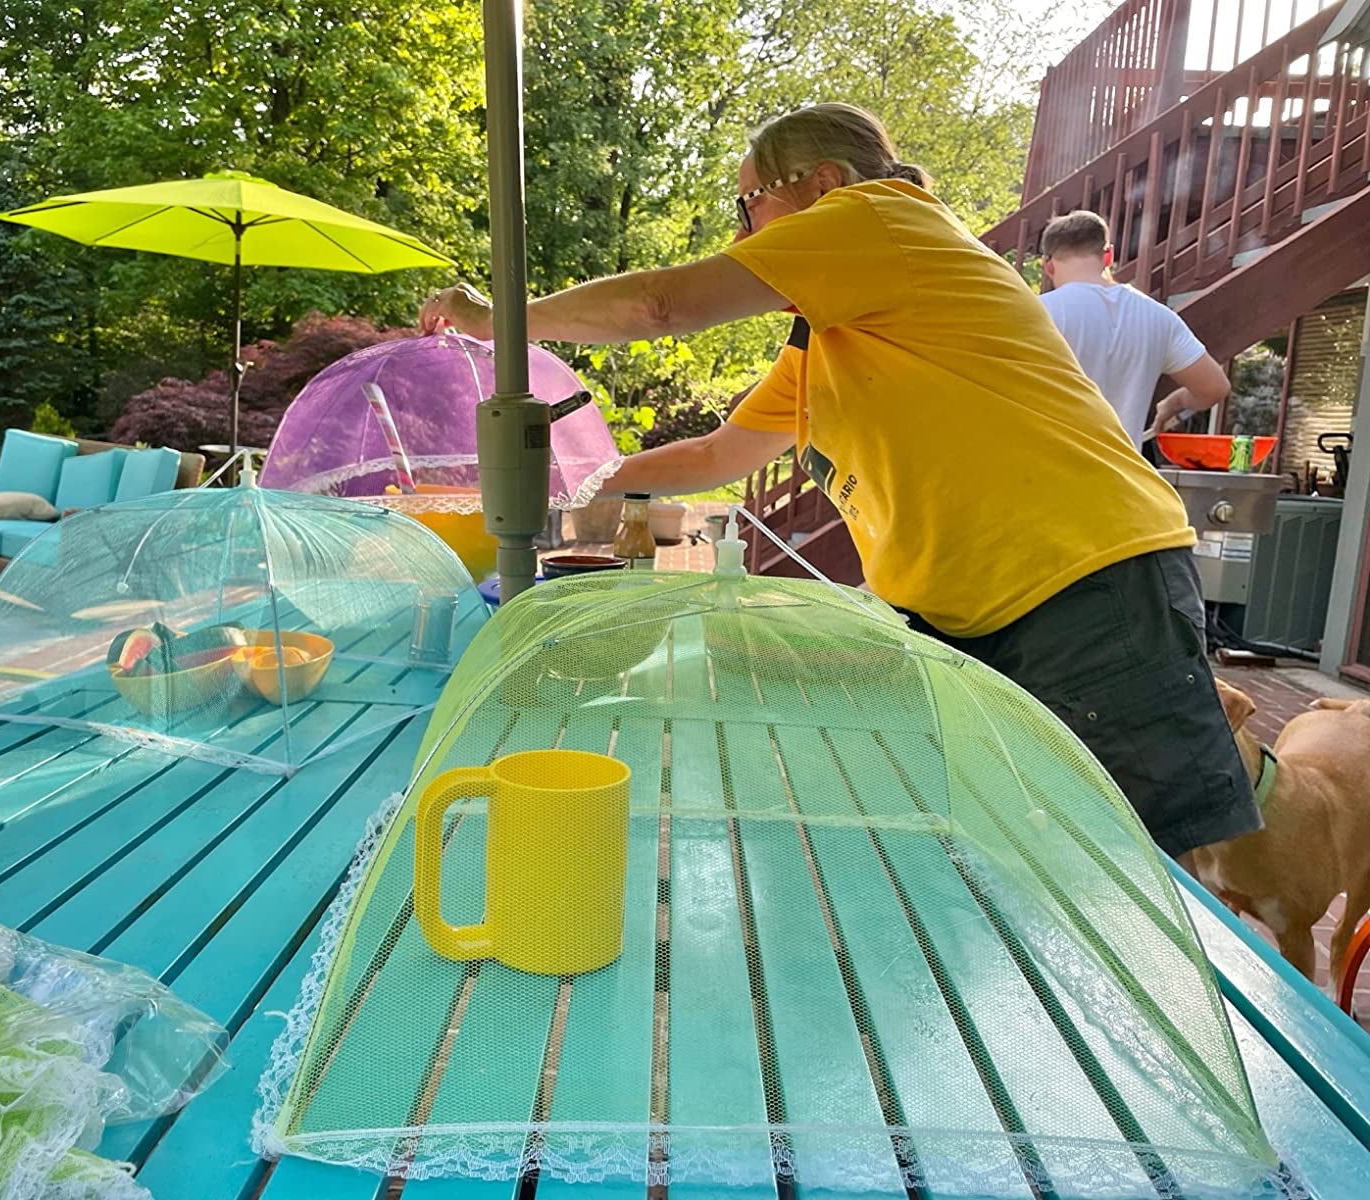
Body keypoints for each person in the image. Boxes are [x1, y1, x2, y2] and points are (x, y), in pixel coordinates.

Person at [420, 102, 1258, 860]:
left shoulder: (882, 217)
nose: (745, 233)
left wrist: (499, 320)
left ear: (823, 183)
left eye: (749, 204)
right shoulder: (839, 335)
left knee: (1118, 872)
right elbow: (717, 455)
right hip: (983, 616)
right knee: (1005, 857)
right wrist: (588, 498)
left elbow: (660, 309)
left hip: (1087, 588)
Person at [1039, 210, 1231, 445]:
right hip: (1118, 475)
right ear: (1108, 256)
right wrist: (1175, 403)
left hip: (1044, 471)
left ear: (1048, 266)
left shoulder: (1038, 313)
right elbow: (1215, 387)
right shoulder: (1159, 317)